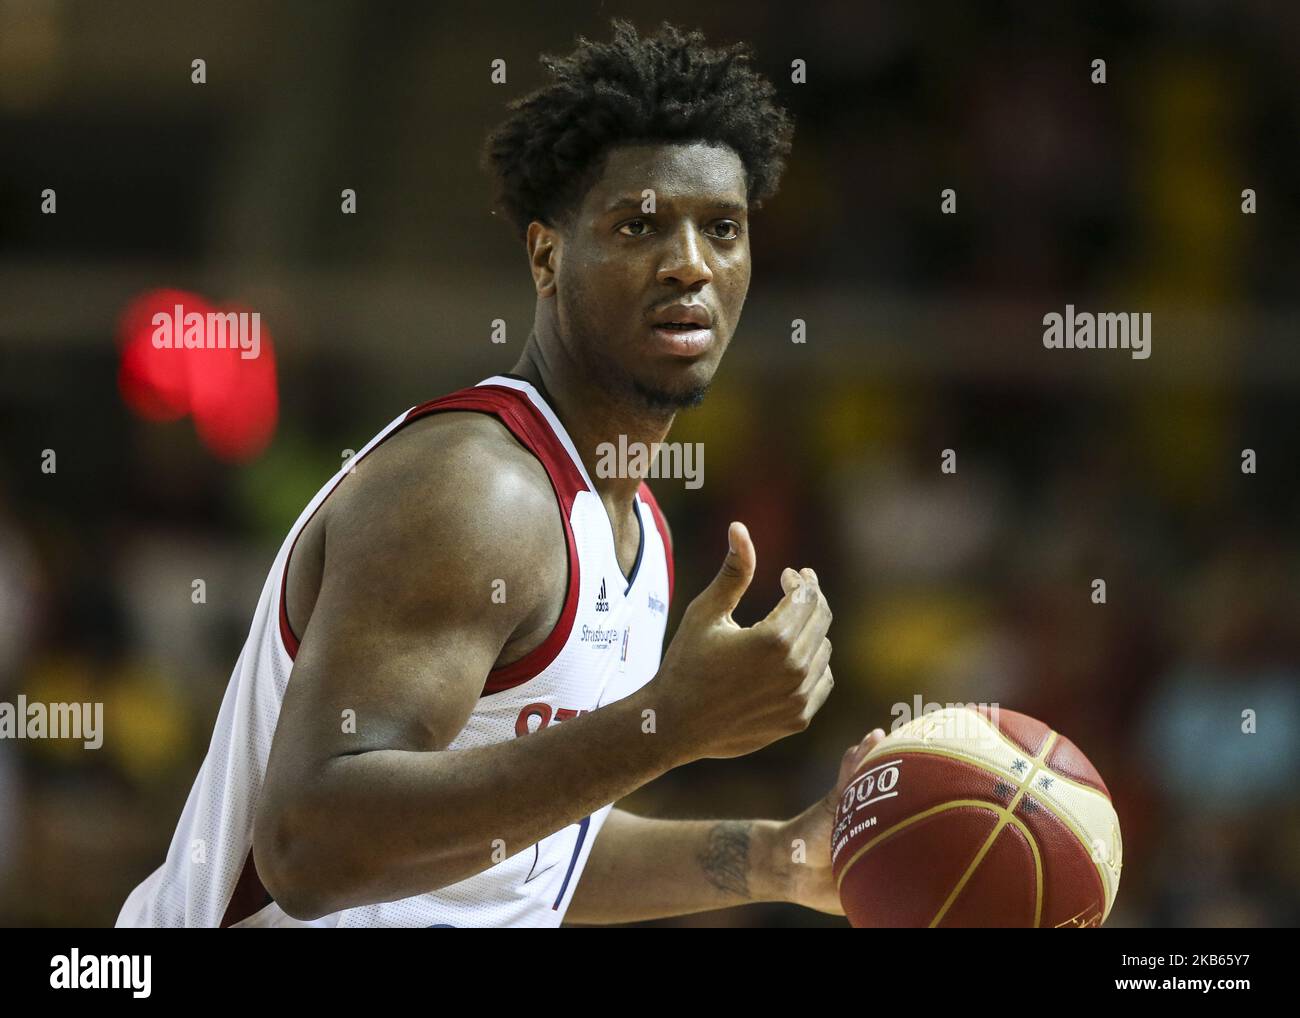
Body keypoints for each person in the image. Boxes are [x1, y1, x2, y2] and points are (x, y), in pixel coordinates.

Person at [117, 18, 883, 928]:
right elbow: (310, 849)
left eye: (722, 228)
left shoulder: (635, 530)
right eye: (640, 224)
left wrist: (777, 857)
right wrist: (668, 726)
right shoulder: (476, 492)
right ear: (546, 255)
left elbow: (517, 862)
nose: (690, 264)